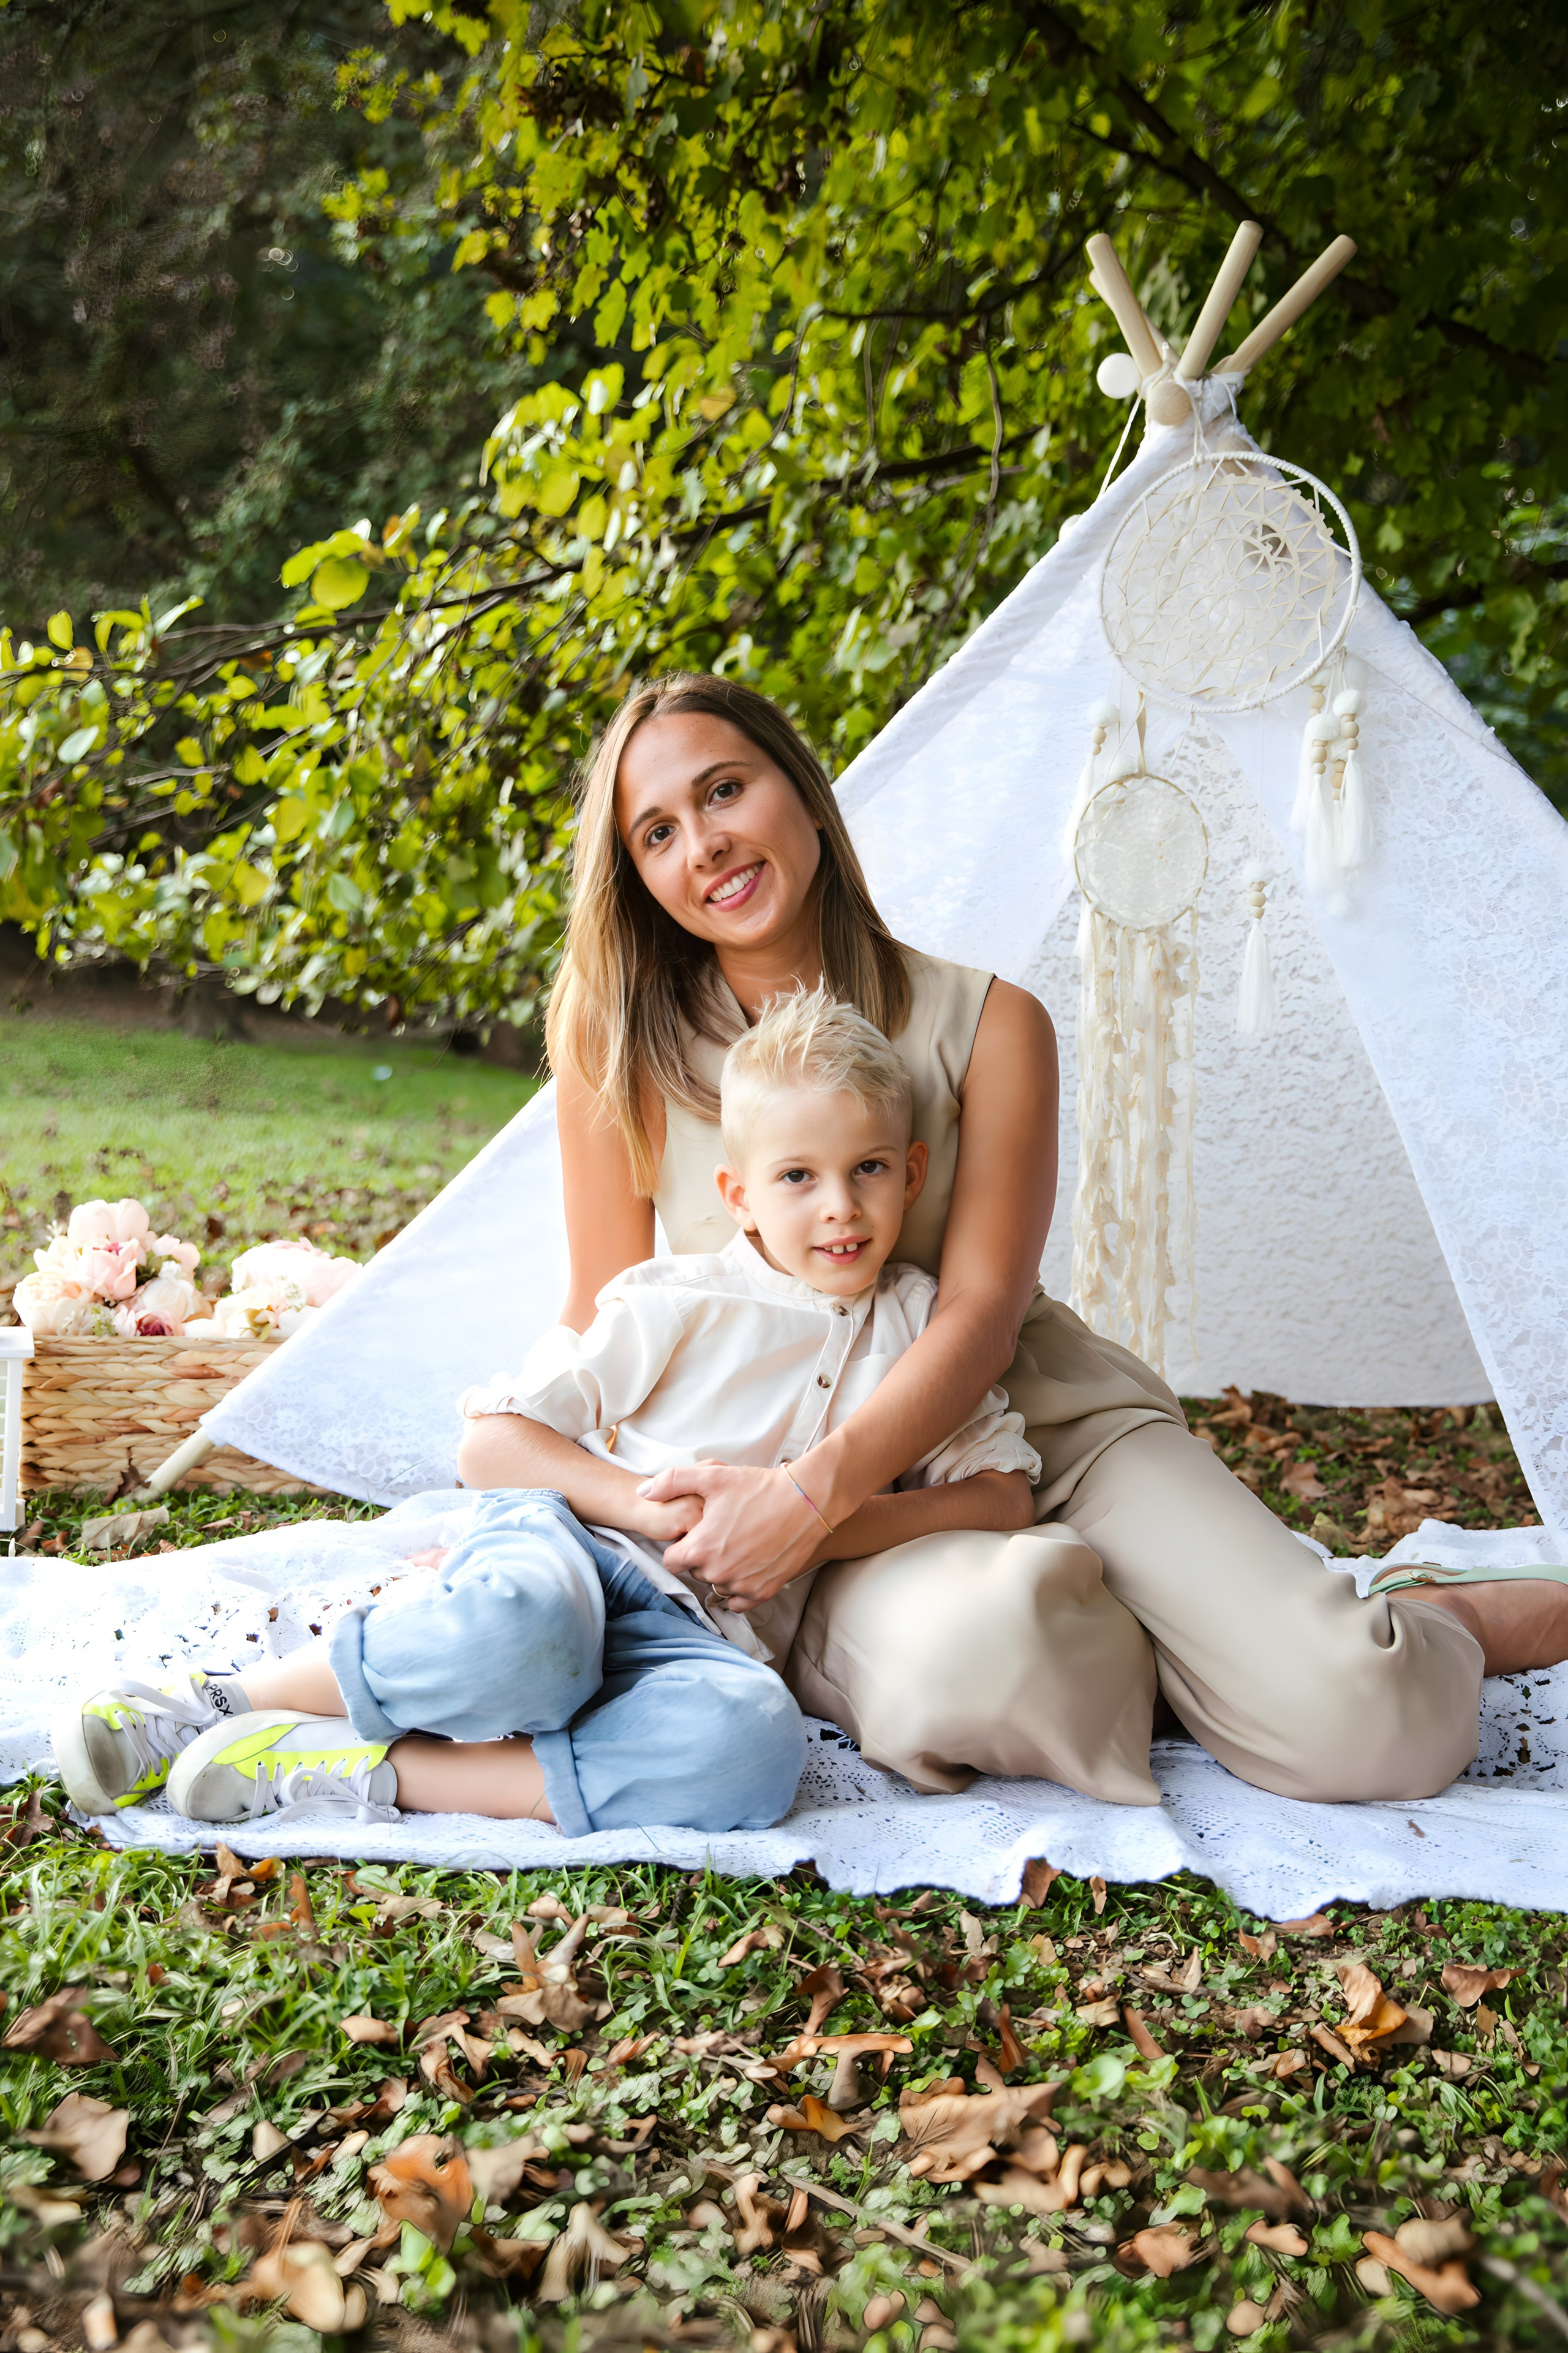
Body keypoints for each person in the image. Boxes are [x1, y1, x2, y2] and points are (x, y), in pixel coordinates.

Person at [453, 671, 1568, 1807]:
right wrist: (553, 1505)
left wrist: (809, 1495)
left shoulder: (992, 1023)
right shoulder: (617, 1052)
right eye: (657, 833)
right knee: (994, 1666)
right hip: (847, 1513)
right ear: (637, 876)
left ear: (802, 789)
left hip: (1043, 1428)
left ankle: (1430, 1612)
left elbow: (981, 1317)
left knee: (1364, 1721)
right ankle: (1174, 1641)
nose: (704, 844)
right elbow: (601, 1309)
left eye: (724, 790)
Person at [51, 988, 1153, 1827]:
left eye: (868, 1169)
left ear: (912, 1174)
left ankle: (355, 1771)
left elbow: (1004, 1495)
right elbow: (491, 1442)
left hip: (706, 1634)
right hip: (573, 1551)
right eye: (798, 1177)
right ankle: (218, 1701)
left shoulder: (917, 1331)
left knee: (754, 1749)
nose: (840, 1207)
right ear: (739, 1197)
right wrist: (642, 1503)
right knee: (528, 1634)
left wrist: (821, 1522)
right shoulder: (679, 1297)